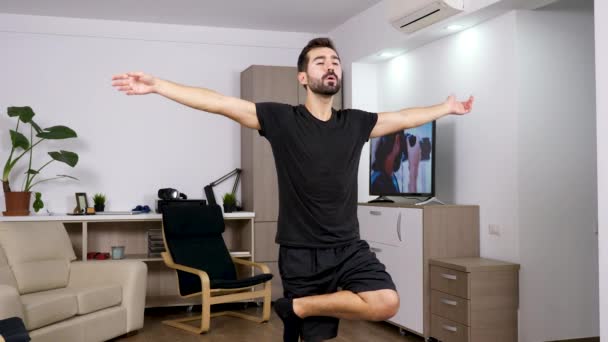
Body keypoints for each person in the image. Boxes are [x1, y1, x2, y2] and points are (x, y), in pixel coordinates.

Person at [111, 37, 474, 342]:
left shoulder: (355, 123)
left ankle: (299, 305)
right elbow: (221, 103)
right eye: (320, 62)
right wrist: (159, 85)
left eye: (335, 61)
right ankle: (300, 310)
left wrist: (445, 107)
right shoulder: (283, 119)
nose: (330, 66)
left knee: (386, 302)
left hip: (349, 247)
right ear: (303, 76)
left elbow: (402, 117)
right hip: (302, 253)